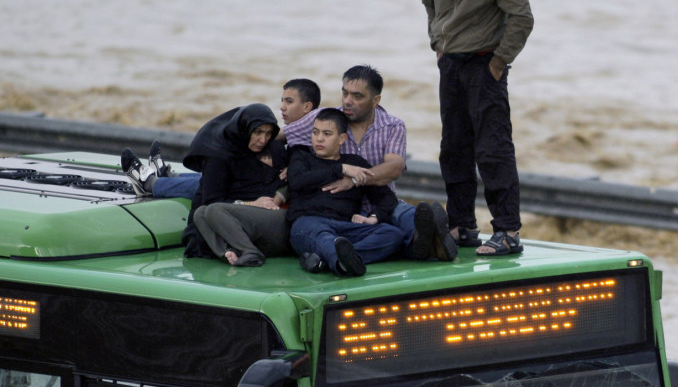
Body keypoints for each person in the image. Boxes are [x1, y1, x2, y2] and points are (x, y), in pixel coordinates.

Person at [422, 0, 534, 256]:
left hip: (485, 67)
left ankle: (507, 231)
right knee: (453, 148)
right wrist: (438, 46)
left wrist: (500, 61)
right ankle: (462, 226)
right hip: (451, 68)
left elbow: (522, 17)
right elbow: (430, 7)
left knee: (493, 148)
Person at [283, 65, 452, 261]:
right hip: (339, 208)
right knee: (321, 232)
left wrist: (355, 180)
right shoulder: (326, 119)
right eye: (345, 93)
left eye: (357, 96)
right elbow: (279, 135)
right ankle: (418, 247)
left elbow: (394, 168)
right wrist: (275, 162)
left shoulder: (393, 126)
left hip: (379, 203)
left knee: (406, 215)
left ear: (375, 100)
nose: (348, 101)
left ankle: (425, 242)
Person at [288, 108, 454, 277]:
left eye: (327, 134)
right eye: (315, 132)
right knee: (324, 238)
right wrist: (341, 169)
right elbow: (297, 181)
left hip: (347, 227)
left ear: (342, 138)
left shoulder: (356, 163)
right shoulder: (302, 157)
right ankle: (342, 260)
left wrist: (374, 217)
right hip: (309, 223)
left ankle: (345, 259)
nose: (319, 138)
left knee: (392, 234)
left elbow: (387, 198)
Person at [120, 78, 321, 198]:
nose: (282, 107)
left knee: (221, 183)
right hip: (276, 182)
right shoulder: (303, 129)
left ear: (307, 107)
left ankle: (150, 184)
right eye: (282, 101)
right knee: (225, 173)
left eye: (289, 102)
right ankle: (167, 177)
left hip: (281, 192)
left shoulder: (315, 129)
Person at [179, 103, 290, 266]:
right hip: (229, 214)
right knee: (201, 214)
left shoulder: (274, 149)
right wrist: (251, 203)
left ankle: (248, 251)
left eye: (268, 133)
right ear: (244, 129)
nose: (263, 140)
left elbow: (294, 181)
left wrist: (277, 197)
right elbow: (211, 200)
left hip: (268, 218)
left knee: (213, 211)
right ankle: (228, 252)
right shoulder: (219, 156)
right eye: (258, 132)